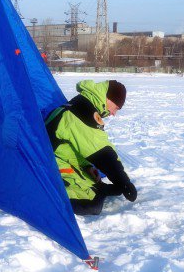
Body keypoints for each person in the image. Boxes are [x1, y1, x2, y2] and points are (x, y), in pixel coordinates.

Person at [44, 79, 137, 215]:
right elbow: (102, 153)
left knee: (94, 184)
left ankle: (97, 187)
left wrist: (87, 166)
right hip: (51, 165)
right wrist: (123, 182)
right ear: (108, 98)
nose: (113, 113)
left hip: (63, 158)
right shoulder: (83, 112)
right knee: (91, 203)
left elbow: (72, 145)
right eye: (116, 107)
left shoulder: (82, 104)